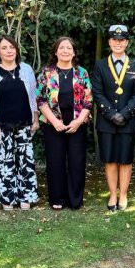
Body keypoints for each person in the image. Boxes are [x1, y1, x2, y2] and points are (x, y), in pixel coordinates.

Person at [0, 35, 40, 211]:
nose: (9, 51)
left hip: (24, 123)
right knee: (4, 162)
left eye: (12, 47)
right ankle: (7, 198)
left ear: (17, 50)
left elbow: (33, 96)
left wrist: (36, 119)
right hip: (1, 124)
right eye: (4, 48)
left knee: (26, 161)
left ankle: (26, 197)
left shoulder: (26, 69)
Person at [92, 24, 135, 211]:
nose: (118, 43)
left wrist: (124, 114)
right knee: (110, 159)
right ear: (109, 42)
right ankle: (112, 194)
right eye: (114, 39)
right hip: (106, 121)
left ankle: (123, 195)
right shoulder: (100, 65)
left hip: (128, 121)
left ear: (127, 43)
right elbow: (97, 93)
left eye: (122, 40)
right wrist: (111, 113)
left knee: (125, 159)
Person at [36, 37, 93, 210]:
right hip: (53, 123)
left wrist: (78, 121)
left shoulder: (82, 73)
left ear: (74, 52)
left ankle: (75, 200)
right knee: (55, 162)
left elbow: (88, 100)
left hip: (77, 122)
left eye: (69, 48)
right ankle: (57, 199)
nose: (65, 50)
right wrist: (54, 122)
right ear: (56, 51)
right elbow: (40, 99)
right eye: (62, 48)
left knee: (76, 162)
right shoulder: (47, 72)